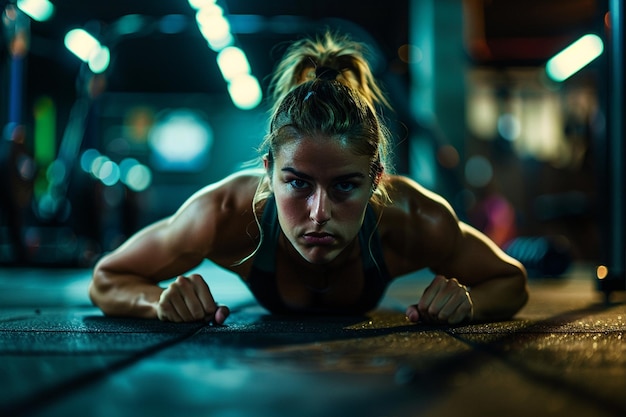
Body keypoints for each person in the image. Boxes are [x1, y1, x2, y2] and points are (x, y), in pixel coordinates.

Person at [89, 32, 528, 325]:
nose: (319, 213)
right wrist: (158, 303)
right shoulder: (221, 214)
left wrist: (470, 304)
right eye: (298, 183)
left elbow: (510, 283)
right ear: (269, 172)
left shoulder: (414, 218)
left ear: (376, 178)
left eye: (344, 186)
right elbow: (106, 280)